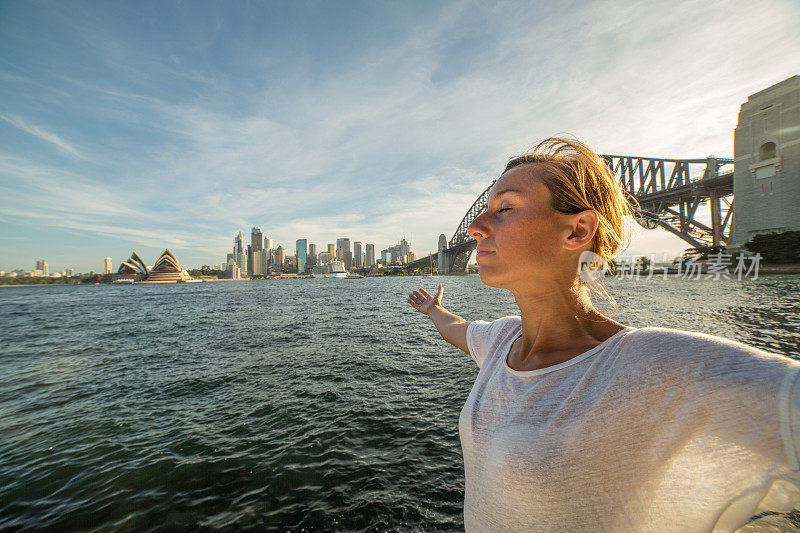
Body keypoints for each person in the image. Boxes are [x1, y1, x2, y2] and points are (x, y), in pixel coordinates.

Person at [407, 137, 800, 532]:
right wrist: (432, 309)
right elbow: (457, 329)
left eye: (505, 208)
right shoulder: (501, 341)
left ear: (578, 231)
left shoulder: (652, 364)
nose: (474, 228)